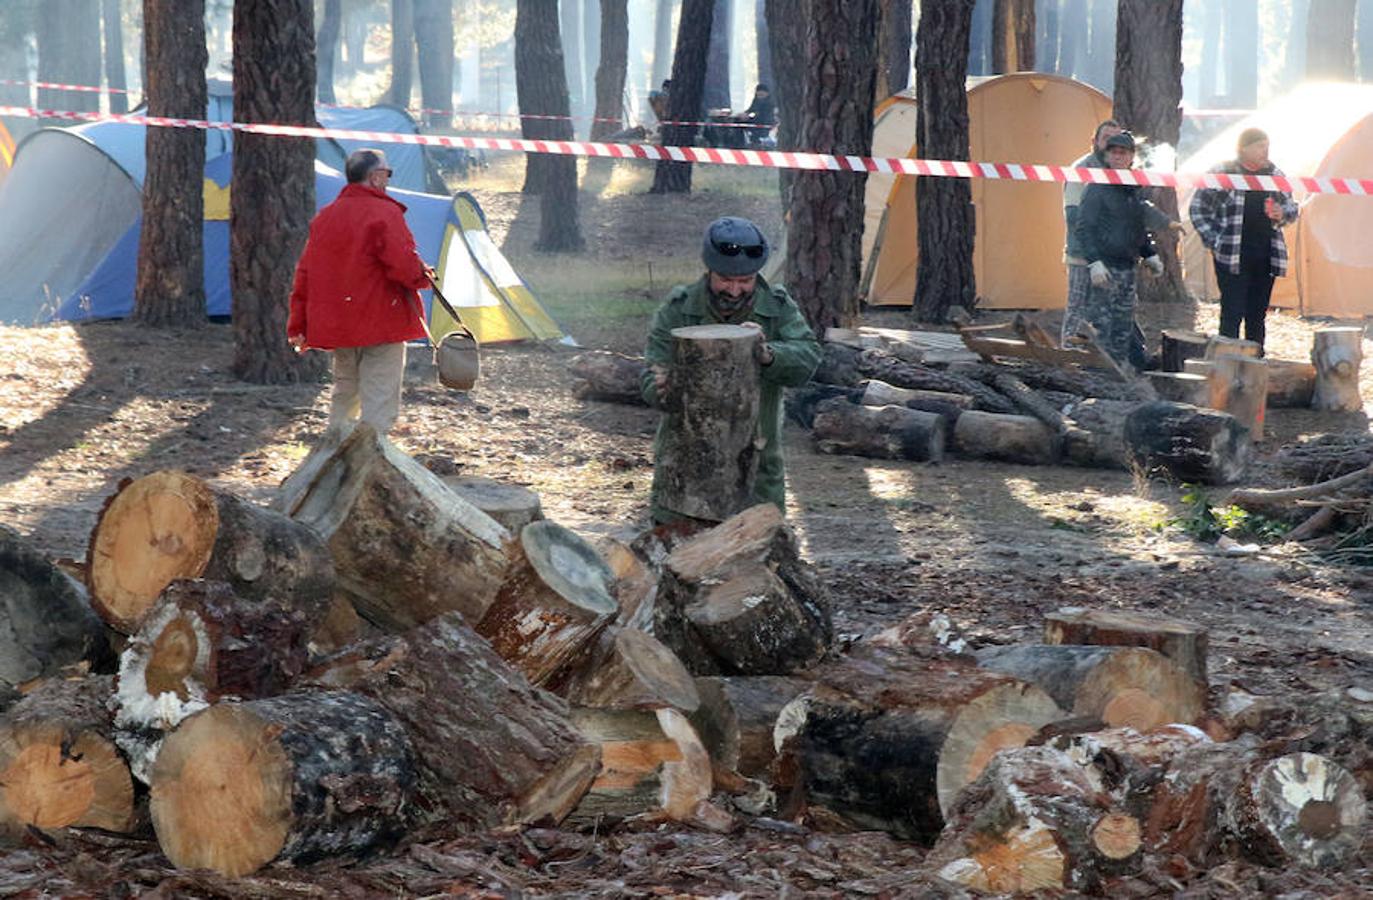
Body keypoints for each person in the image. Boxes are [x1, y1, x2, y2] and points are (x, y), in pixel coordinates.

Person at [641, 217, 821, 524]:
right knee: (675, 554)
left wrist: (769, 354)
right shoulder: (678, 308)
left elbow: (808, 357)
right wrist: (660, 388)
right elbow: (651, 370)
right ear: (709, 270)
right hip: (685, 464)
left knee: (760, 554)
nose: (735, 290)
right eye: (725, 279)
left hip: (756, 465)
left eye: (745, 281)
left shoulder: (777, 307)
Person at [287, 148, 432, 434]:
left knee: (345, 394)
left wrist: (299, 322)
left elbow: (305, 272)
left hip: (340, 324)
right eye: (387, 173)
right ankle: (370, 462)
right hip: (381, 321)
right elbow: (403, 266)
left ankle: (332, 460)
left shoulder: (326, 216)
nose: (388, 179)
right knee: (378, 401)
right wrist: (423, 275)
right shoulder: (384, 213)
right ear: (376, 177)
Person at [1063, 119, 1173, 365]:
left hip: (1125, 266)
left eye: (1124, 152)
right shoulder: (1091, 180)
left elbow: (1136, 224)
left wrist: (1149, 253)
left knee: (1122, 324)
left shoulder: (1132, 186)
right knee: (1091, 321)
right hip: (1095, 261)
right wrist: (1093, 261)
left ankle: (1121, 372)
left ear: (1132, 156)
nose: (1118, 156)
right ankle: (1078, 369)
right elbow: (1079, 222)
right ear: (1103, 150)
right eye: (1113, 150)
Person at [1188, 128, 1299, 355]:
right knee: (1232, 312)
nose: (1265, 151)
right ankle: (1225, 365)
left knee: (1257, 315)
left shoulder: (1274, 174)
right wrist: (1215, 240)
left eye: (1267, 145)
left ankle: (1254, 365)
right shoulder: (1224, 172)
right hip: (1232, 256)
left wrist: (1282, 212)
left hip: (1266, 256)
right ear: (1243, 148)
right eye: (1259, 146)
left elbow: (1292, 208)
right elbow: (1198, 208)